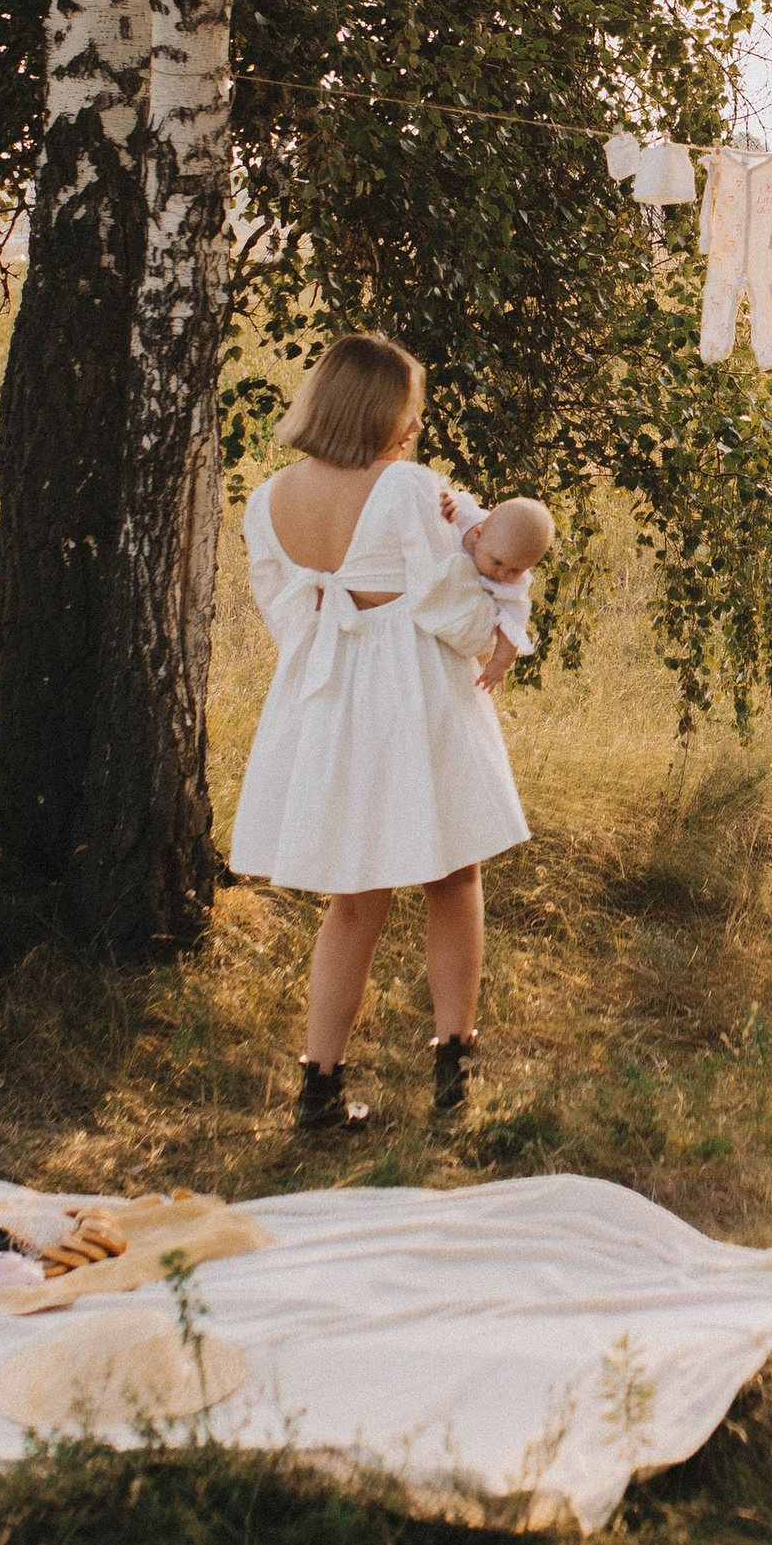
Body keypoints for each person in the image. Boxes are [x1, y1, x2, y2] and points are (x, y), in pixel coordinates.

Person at [228, 333, 529, 1135]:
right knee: (452, 878)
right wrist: (495, 635)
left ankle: (319, 1085)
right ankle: (453, 1068)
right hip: (414, 696)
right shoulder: (404, 490)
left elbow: (285, 614)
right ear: (381, 412)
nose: (415, 428)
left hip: (328, 702)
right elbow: (446, 602)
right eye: (409, 412)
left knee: (353, 899)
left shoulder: (269, 500)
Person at [446, 490, 557, 661]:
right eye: (497, 562)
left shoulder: (514, 587)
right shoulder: (465, 515)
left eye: (515, 570)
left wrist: (499, 663)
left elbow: (512, 627)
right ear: (478, 535)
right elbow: (435, 495)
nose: (502, 574)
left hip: (458, 631)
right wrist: (447, 502)